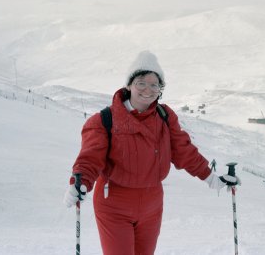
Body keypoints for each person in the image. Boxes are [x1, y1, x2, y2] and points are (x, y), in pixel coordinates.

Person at [63, 50, 241, 255]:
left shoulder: (165, 117)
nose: (147, 89)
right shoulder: (104, 121)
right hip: (114, 204)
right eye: (141, 82)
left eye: (154, 84)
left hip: (152, 204)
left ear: (160, 90)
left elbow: (184, 151)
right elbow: (90, 157)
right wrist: (80, 183)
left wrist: (211, 178)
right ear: (129, 85)